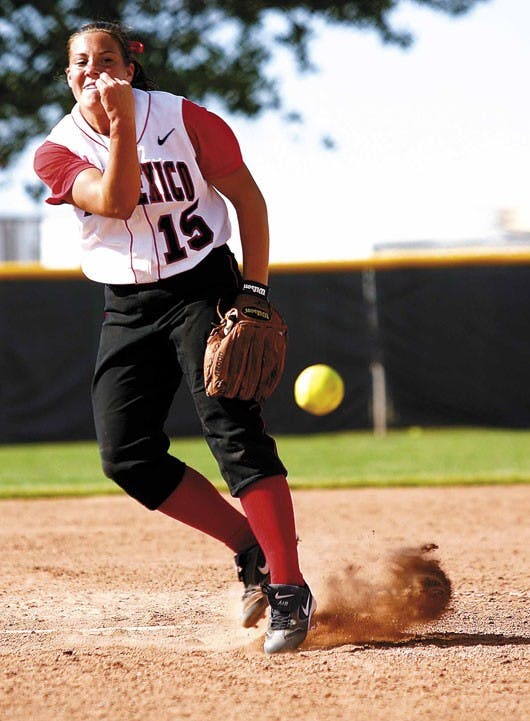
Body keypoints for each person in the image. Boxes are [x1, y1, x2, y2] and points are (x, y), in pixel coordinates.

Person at [33, 21, 315, 653]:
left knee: (233, 431)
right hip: (128, 304)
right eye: (80, 62)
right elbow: (118, 197)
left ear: (130, 69)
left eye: (106, 59)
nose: (93, 71)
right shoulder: (56, 150)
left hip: (204, 285)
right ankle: (251, 549)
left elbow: (250, 202)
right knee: (126, 453)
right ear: (67, 75)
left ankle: (290, 590)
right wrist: (122, 123)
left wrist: (255, 291)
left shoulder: (188, 120)